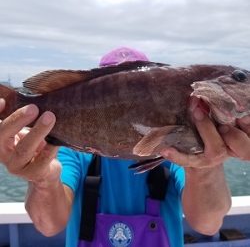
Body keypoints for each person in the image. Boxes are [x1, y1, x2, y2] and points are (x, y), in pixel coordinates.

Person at [0, 47, 249, 247]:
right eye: (240, 78)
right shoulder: (71, 152)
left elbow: (207, 223)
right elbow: (48, 225)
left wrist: (205, 166)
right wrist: (43, 180)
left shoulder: (177, 157)